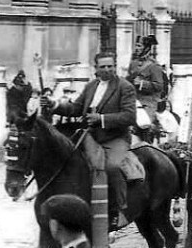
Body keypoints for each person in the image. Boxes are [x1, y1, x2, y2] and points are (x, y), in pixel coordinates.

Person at [42, 51, 136, 228]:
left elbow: (129, 116)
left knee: (112, 167)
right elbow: (75, 108)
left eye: (110, 66)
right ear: (96, 68)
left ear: (115, 66)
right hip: (90, 136)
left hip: (115, 137)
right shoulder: (91, 86)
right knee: (69, 162)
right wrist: (54, 105)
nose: (107, 70)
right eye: (103, 67)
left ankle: (118, 210)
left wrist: (101, 119)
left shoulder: (125, 87)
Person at [126, 35, 164, 123]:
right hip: (132, 102)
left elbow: (159, 86)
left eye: (139, 46)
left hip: (148, 104)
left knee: (145, 126)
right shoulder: (133, 63)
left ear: (146, 48)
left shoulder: (154, 66)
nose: (136, 48)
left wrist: (142, 83)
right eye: (136, 45)